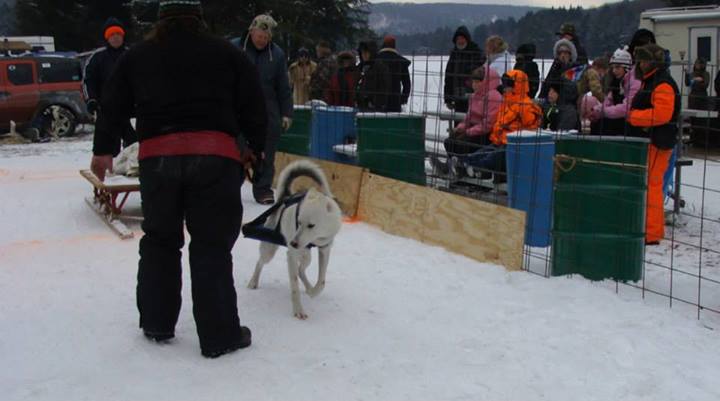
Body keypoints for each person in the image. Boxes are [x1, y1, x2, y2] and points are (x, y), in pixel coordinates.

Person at [93, 0, 267, 358]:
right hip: (215, 159)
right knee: (211, 247)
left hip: (158, 160)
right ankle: (219, 336)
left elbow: (111, 103)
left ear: (161, 21)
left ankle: (157, 323)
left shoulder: (138, 56)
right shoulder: (225, 53)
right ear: (198, 20)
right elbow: (254, 101)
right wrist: (257, 147)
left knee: (160, 240)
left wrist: (103, 149)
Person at [234, 14, 293, 204]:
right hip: (238, 108)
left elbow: (283, 87)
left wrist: (286, 113)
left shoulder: (277, 55)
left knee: (267, 152)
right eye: (259, 36)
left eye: (266, 38)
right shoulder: (234, 48)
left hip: (268, 110)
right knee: (235, 149)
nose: (262, 40)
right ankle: (230, 186)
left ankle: (263, 189)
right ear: (251, 31)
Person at [441, 70, 541, 178]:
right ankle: (460, 166)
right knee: (478, 154)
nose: (506, 88)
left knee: (488, 157)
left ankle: (464, 169)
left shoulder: (526, 106)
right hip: (498, 141)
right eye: (505, 85)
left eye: (509, 86)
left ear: (517, 86)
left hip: (511, 144)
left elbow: (530, 128)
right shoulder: (507, 103)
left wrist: (469, 131)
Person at [627, 44, 680, 245]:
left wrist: (634, 117)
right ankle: (649, 229)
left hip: (658, 141)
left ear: (653, 62)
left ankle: (651, 232)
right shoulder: (652, 81)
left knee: (652, 185)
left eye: (643, 60)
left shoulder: (662, 84)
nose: (640, 64)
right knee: (650, 184)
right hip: (652, 140)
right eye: (639, 61)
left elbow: (662, 114)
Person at [84, 17, 136, 151]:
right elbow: (89, 81)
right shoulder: (97, 57)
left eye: (118, 34)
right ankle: (111, 168)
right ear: (107, 38)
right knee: (109, 146)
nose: (116, 38)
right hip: (106, 110)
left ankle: (131, 167)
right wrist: (91, 99)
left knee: (134, 145)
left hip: (130, 110)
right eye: (112, 35)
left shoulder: (132, 55)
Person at [441, 67, 502, 156]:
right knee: (450, 141)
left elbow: (488, 124)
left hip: (487, 134)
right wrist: (460, 128)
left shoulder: (494, 97)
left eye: (477, 82)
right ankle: (454, 164)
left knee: (462, 144)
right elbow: (469, 117)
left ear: (486, 81)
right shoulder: (475, 96)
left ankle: (461, 166)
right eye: (473, 82)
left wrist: (469, 132)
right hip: (474, 130)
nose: (474, 85)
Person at [589, 47, 640, 135]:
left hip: (633, 122)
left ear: (626, 67)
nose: (614, 71)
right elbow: (608, 102)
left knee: (604, 124)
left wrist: (603, 111)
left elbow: (626, 108)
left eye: (617, 67)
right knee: (597, 123)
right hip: (621, 120)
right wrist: (596, 111)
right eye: (612, 68)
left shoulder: (635, 81)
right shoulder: (617, 82)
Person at [444, 26, 486, 113]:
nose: (460, 41)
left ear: (467, 39)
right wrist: (448, 98)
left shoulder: (476, 51)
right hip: (457, 96)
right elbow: (448, 77)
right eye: (458, 39)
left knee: (472, 122)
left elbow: (481, 68)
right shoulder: (454, 54)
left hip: (473, 96)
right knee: (458, 124)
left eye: (462, 38)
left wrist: (469, 70)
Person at [540, 39, 579, 129]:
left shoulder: (575, 70)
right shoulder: (554, 68)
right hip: (550, 106)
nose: (563, 55)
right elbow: (545, 89)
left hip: (567, 108)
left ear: (571, 54)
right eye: (560, 52)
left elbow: (573, 92)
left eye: (566, 52)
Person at [375, 35, 411, 112]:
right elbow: (407, 84)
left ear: (383, 44)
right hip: (395, 101)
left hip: (378, 101)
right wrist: (403, 99)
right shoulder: (401, 62)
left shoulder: (376, 59)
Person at [356, 40, 391, 112]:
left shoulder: (380, 66)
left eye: (366, 52)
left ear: (372, 52)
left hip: (376, 108)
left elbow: (385, 86)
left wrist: (375, 102)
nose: (364, 55)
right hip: (360, 105)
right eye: (362, 52)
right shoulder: (360, 67)